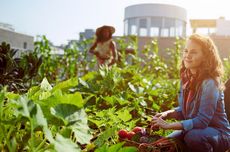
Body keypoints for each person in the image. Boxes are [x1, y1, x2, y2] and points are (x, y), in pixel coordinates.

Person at [151, 33, 230, 152]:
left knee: (192, 137)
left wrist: (168, 125)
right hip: (195, 130)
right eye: (186, 51)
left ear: (206, 56)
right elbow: (184, 110)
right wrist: (166, 114)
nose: (187, 55)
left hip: (219, 133)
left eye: (193, 52)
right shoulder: (186, 79)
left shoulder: (210, 83)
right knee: (164, 143)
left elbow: (202, 121)